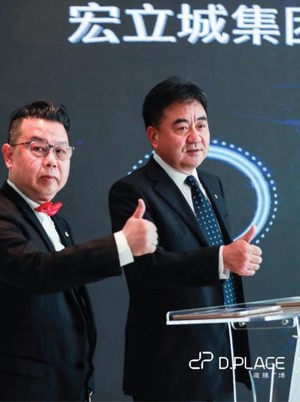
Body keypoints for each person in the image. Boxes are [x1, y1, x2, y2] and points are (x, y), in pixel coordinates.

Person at [0, 100, 158, 401]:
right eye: (38, 148)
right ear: (9, 155)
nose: (52, 161)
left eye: (60, 151)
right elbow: (38, 272)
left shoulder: (59, 224)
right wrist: (121, 244)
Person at [108, 77, 263, 401]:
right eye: (182, 127)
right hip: (171, 366)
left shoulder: (212, 183)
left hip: (223, 353)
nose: (195, 137)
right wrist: (221, 258)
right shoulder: (132, 191)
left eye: (201, 125)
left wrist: (235, 259)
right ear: (154, 136)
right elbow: (146, 268)